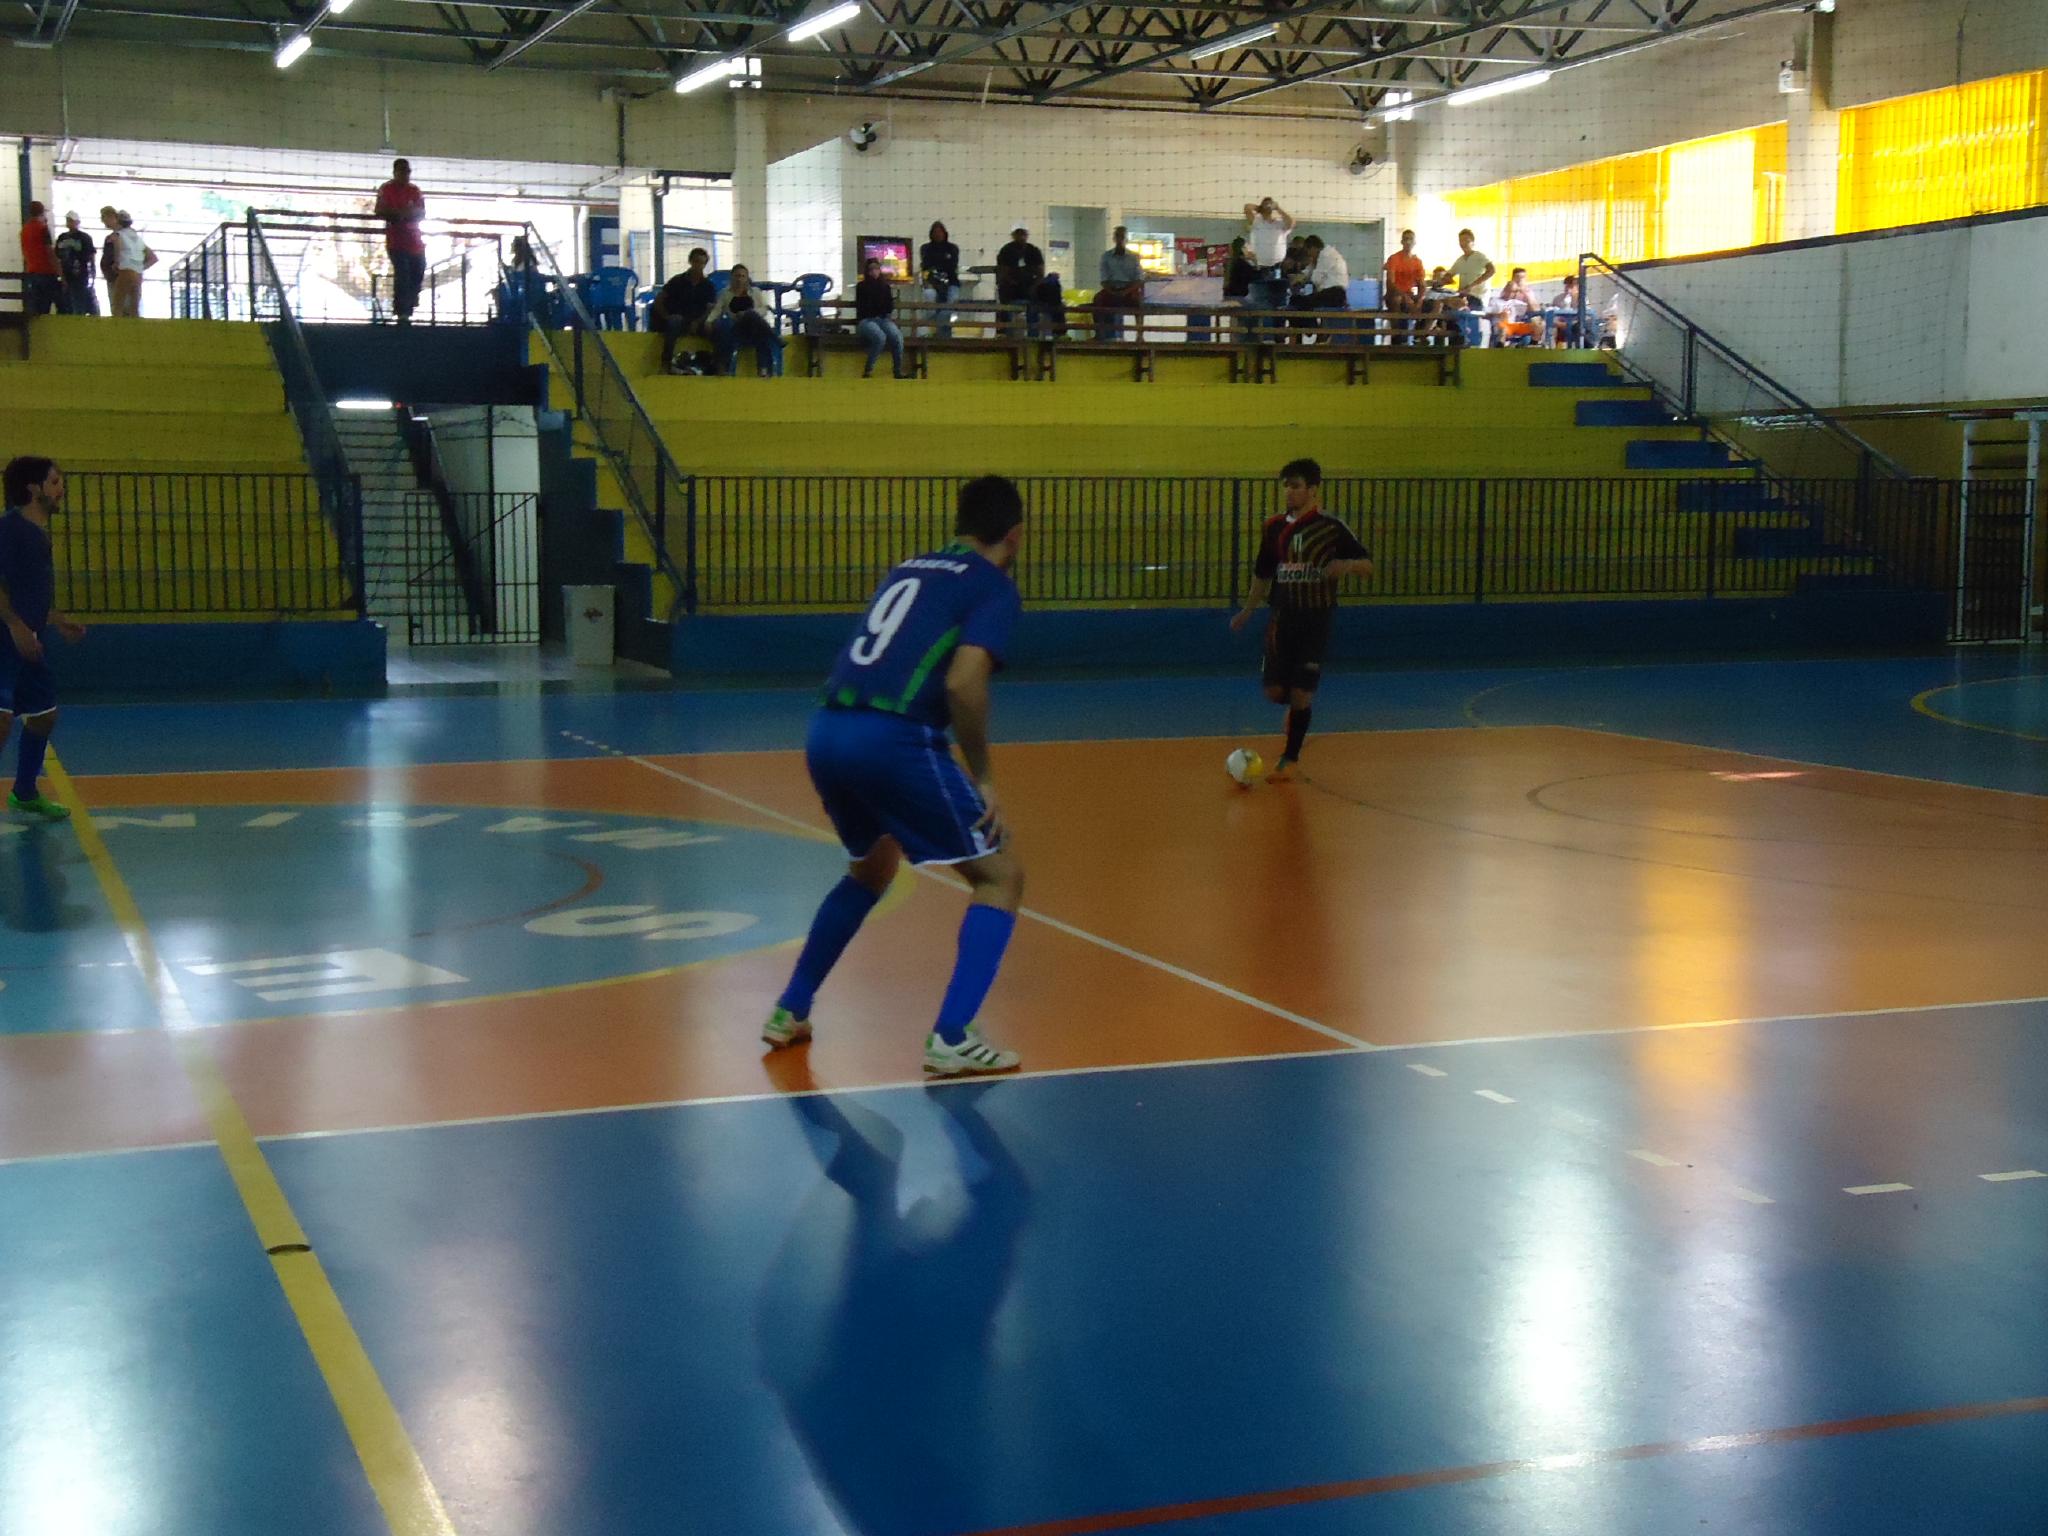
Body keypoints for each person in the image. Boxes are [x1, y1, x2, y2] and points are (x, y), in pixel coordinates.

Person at [762, 475, 1028, 1077]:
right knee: (1001, 876)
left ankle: (790, 1009)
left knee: (871, 869)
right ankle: (953, 1036)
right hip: (891, 740)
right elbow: (964, 682)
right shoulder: (993, 586)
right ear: (1014, 535)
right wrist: (984, 775)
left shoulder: (910, 567)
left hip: (827, 729)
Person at [1228, 459, 1373, 780]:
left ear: (1313, 490)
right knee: (1274, 692)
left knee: (1301, 694)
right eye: (1286, 486)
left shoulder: (1331, 527)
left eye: (1296, 486)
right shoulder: (1273, 527)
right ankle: (1295, 710)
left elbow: (1368, 565)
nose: (1289, 492)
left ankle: (1289, 758)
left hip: (1315, 620)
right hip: (1282, 619)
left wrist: (1347, 566)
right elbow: (1263, 574)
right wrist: (1248, 610)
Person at [0, 457, 87, 821]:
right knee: (1, 721)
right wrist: (15, 625)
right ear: (33, 488)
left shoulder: (37, 534)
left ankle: (24, 792)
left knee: (43, 716)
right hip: (5, 640)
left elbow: (27, 592)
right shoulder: (10, 529)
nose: (61, 488)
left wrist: (55, 619)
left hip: (27, 643)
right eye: (54, 482)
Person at [374, 158, 427, 325]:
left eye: (408, 172)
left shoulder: (415, 190)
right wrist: (400, 214)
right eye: (402, 171)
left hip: (415, 241)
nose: (406, 175)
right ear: (395, 172)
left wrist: (404, 214)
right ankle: (402, 312)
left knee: (419, 269)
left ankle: (410, 300)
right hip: (396, 241)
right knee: (403, 273)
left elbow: (422, 212)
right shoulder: (387, 189)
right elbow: (380, 210)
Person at [649, 247, 717, 374]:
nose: (699, 266)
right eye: (696, 261)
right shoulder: (677, 281)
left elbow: (710, 309)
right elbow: (659, 300)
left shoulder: (708, 286)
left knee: (716, 328)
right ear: (690, 261)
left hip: (698, 321)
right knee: (674, 321)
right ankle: (666, 363)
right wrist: (666, 317)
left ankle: (714, 365)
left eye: (702, 263)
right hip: (678, 319)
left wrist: (698, 322)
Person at [709, 264, 781, 377]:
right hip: (736, 327)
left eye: (742, 276)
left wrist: (749, 313)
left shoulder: (755, 292)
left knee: (753, 319)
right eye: (737, 276)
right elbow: (717, 309)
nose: (739, 279)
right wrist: (708, 321)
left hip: (754, 326)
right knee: (759, 329)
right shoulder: (724, 293)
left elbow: (764, 309)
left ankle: (764, 370)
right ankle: (774, 339)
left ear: (747, 278)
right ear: (732, 277)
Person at [1241, 197, 1295, 338]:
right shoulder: (1257, 222)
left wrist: (1277, 208)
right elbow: (1247, 207)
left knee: (1280, 304)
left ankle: (1278, 337)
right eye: (1267, 204)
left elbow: (1292, 222)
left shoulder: (1280, 224)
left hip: (1278, 270)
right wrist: (1260, 207)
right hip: (1260, 269)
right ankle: (1260, 337)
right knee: (1260, 303)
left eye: (1270, 204)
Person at [853, 257, 906, 379]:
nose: (874, 272)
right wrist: (879, 308)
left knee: (897, 337)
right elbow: (863, 307)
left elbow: (889, 307)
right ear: (867, 271)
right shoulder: (861, 286)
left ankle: (897, 370)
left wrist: (879, 308)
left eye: (876, 269)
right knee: (880, 337)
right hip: (866, 320)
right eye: (871, 269)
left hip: (882, 319)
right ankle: (868, 369)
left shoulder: (885, 287)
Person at [1093, 225, 1145, 341]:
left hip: (1129, 289)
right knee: (1097, 299)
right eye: (1118, 236)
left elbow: (1139, 279)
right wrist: (1112, 291)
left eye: (1122, 237)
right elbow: (1104, 279)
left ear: (1126, 239)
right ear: (1114, 239)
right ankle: (1099, 333)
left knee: (1140, 302)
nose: (1120, 239)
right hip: (1111, 288)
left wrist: (1126, 291)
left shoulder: (1133, 257)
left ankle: (1139, 335)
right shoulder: (1106, 257)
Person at [1445, 228, 1495, 348]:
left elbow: (1491, 270)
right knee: (1444, 307)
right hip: (1463, 296)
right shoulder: (1460, 260)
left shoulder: (1479, 257)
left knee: (1462, 310)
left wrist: (1472, 285)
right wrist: (1442, 280)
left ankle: (1467, 340)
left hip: (1477, 296)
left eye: (1466, 241)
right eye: (1461, 241)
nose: (1463, 243)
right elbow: (1449, 275)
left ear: (1472, 242)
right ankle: (1453, 340)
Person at [99, 208, 153, 319]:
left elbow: (117, 246)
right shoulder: (135, 237)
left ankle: (118, 328)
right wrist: (139, 267)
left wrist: (117, 263)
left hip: (124, 272)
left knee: (118, 307)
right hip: (137, 273)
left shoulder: (117, 235)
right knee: (134, 308)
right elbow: (152, 257)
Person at [993, 226, 1044, 337]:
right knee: (1005, 304)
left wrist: (1034, 286)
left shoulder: (1033, 251)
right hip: (1010, 287)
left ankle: (1033, 334)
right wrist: (1011, 281)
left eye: (1023, 235)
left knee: (1034, 305)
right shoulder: (1006, 250)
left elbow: (1040, 272)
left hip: (1029, 286)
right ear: (1014, 236)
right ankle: (1005, 332)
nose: (1021, 238)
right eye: (1019, 235)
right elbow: (1002, 271)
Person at [1302, 235, 1351, 340]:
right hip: (1333, 293)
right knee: (1300, 301)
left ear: (1313, 248)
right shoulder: (1327, 254)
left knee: (1300, 302)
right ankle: (1317, 331)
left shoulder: (1326, 256)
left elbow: (1316, 279)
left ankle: (1313, 329)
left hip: (1334, 293)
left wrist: (1312, 265)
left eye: (1308, 252)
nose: (1309, 255)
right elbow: (1308, 273)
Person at [1381, 228, 1425, 342]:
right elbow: (1391, 283)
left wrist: (1420, 299)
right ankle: (1397, 335)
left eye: (1411, 239)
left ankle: (1420, 336)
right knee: (1397, 299)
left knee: (1431, 305)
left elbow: (1422, 284)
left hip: (1409, 296)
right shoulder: (1394, 259)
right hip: (1394, 296)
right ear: (1401, 242)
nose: (1408, 242)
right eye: (1406, 239)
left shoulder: (1417, 262)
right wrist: (1405, 296)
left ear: (1415, 242)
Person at [918, 221, 960, 339]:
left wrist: (938, 269)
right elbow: (926, 267)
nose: (938, 234)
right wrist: (930, 280)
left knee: (949, 307)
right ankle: (933, 331)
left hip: (951, 282)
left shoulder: (952, 248)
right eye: (935, 232)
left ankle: (943, 335)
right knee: (929, 299)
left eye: (940, 232)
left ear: (944, 233)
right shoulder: (926, 248)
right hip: (932, 282)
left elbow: (951, 266)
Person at [18, 203, 59, 317]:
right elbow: (49, 252)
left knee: (36, 308)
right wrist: (59, 271)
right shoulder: (42, 229)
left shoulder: (24, 230)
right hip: (47, 272)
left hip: (32, 271)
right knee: (54, 304)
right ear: (42, 213)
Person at [54, 213, 99, 317]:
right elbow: (58, 258)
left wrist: (93, 274)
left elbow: (91, 256)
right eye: (68, 220)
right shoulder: (62, 237)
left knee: (79, 302)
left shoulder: (85, 238)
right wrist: (61, 276)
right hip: (67, 274)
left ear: (77, 222)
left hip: (81, 275)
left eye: (71, 221)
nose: (69, 223)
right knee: (67, 303)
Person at [1026, 270, 1067, 340]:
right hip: (1053, 304)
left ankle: (1033, 336)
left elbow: (1033, 296)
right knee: (1058, 313)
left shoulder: (1040, 283)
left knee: (1033, 312)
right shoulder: (1054, 283)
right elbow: (1057, 298)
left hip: (1041, 303)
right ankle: (1059, 334)